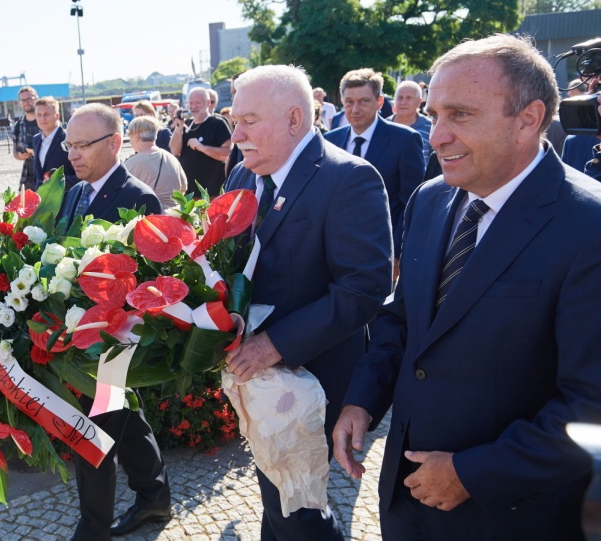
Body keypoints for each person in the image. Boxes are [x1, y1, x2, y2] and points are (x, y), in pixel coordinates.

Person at [333, 34, 601, 541]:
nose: (435, 136)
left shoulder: (589, 227)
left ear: (528, 118)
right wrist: (362, 399)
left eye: (459, 115)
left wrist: (472, 475)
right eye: (434, 114)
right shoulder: (430, 200)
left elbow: (592, 405)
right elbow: (404, 319)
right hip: (407, 505)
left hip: (513, 518)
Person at [224, 65, 393, 541]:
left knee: (298, 512)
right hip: (252, 378)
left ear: (295, 119)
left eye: (249, 121)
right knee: (276, 494)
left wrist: (272, 345)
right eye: (235, 120)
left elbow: (362, 287)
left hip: (310, 380)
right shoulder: (242, 172)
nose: (236, 135)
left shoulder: (348, 179)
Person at [57, 104, 170, 541]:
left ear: (113, 143)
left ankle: (93, 530)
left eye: (82, 145)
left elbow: (143, 279)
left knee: (97, 426)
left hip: (117, 338)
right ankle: (154, 497)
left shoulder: (137, 197)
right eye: (69, 145)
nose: (73, 154)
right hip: (81, 334)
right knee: (123, 415)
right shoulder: (72, 192)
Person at [325, 68, 425, 274]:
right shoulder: (330, 140)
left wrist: (397, 253)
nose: (355, 109)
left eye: (364, 101)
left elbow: (412, 203)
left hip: (382, 252)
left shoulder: (405, 140)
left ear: (380, 102)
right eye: (349, 102)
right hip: (335, 252)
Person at [171, 87, 233, 197]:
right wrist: (179, 127)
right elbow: (174, 151)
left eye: (197, 102)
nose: (193, 106)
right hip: (189, 193)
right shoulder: (187, 124)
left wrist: (202, 147)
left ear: (208, 103)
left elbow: (227, 153)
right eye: (190, 103)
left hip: (212, 192)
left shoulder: (217, 123)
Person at [123, 116, 187, 210]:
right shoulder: (171, 158)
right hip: (174, 217)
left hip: (151, 219)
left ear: (136, 137)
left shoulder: (132, 163)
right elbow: (184, 187)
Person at [30, 96, 77, 189]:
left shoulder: (70, 138)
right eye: (39, 115)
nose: (42, 118)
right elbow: (37, 174)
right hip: (42, 199)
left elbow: (83, 176)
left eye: (46, 114)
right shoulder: (36, 139)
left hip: (65, 198)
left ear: (57, 116)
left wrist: (59, 182)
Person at [388, 80, 433, 161]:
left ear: (419, 102)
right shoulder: (383, 126)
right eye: (400, 98)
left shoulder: (430, 127)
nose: (403, 102)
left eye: (409, 98)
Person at [12, 86, 40, 190]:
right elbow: (15, 153)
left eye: (29, 98)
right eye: (23, 100)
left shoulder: (46, 121)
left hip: (47, 177)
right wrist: (20, 156)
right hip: (27, 177)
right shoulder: (17, 126)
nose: (26, 102)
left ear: (36, 99)